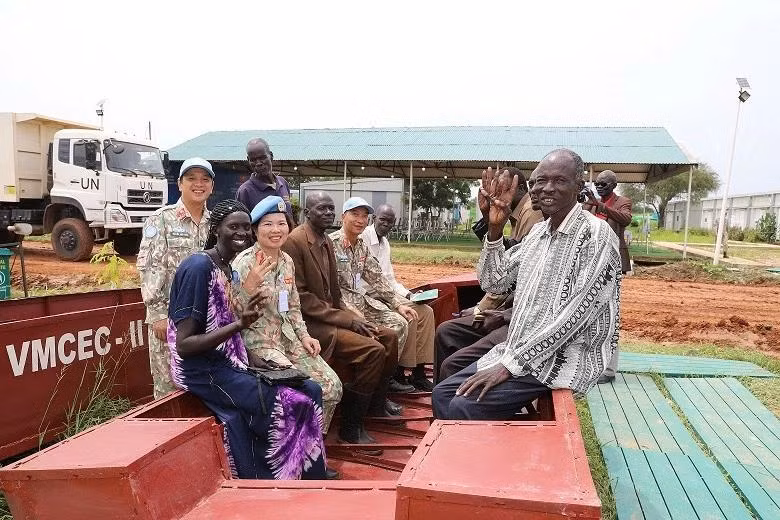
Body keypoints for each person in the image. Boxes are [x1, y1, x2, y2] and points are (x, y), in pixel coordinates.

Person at [432, 149, 622, 420]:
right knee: (443, 394)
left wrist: (509, 366)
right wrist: (494, 230)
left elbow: (576, 315)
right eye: (540, 181)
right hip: (521, 350)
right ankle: (457, 459)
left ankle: (482, 460)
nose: (547, 188)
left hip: (560, 358)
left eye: (559, 181)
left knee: (464, 406)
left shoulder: (596, 234)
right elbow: (494, 282)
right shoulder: (538, 233)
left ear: (578, 186)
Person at [167, 199, 326, 480]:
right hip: (204, 371)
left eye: (244, 227)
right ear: (217, 229)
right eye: (233, 227)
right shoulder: (198, 268)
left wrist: (256, 361)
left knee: (311, 388)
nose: (241, 233)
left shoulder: (229, 269)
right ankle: (279, 478)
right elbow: (185, 345)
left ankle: (307, 472)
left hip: (232, 361)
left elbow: (235, 329)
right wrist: (240, 325)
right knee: (291, 402)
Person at [282, 192, 399, 451]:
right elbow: (302, 298)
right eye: (321, 208)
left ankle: (374, 408)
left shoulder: (324, 240)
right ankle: (350, 427)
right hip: (312, 324)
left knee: (387, 336)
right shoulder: (295, 242)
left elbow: (335, 293)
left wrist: (351, 318)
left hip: (331, 316)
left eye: (330, 209)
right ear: (307, 213)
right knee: (373, 350)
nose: (327, 213)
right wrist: (345, 320)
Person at [232, 196, 343, 436]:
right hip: (260, 344)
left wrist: (304, 336)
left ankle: (313, 446)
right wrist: (247, 289)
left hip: (289, 339)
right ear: (255, 229)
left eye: (281, 224)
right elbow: (232, 315)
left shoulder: (287, 261)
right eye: (268, 224)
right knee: (302, 391)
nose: (276, 230)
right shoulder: (243, 263)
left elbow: (292, 306)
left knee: (332, 387)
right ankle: (290, 452)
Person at [433, 168, 543, 383]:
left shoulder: (533, 215)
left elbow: (507, 277)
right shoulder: (516, 214)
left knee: (450, 345)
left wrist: (482, 309)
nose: (496, 193)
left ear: (519, 188)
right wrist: (491, 223)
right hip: (512, 310)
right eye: (494, 188)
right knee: (447, 330)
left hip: (519, 320)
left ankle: (449, 394)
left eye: (502, 188)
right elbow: (498, 272)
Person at [138, 157, 214, 399]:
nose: (198, 184)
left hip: (204, 321)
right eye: (191, 178)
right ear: (180, 184)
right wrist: (157, 314)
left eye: (205, 179)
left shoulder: (215, 223)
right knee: (169, 387)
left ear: (212, 186)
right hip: (170, 321)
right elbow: (150, 267)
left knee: (201, 386)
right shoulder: (161, 219)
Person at [330, 197, 418, 397]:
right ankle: (366, 389)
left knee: (400, 322)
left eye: (364, 216)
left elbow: (377, 277)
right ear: (343, 217)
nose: (360, 220)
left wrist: (397, 304)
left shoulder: (361, 245)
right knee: (374, 336)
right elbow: (328, 286)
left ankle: (383, 386)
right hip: (342, 308)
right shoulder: (331, 244)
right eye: (355, 214)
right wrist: (345, 310)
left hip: (362, 302)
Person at [361, 203, 436, 391]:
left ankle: (419, 372)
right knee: (408, 315)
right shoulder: (362, 239)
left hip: (386, 293)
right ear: (374, 219)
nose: (385, 224)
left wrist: (410, 294)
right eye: (382, 220)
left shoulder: (385, 244)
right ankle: (399, 372)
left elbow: (389, 280)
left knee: (426, 311)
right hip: (367, 295)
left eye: (390, 222)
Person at [581, 169, 632, 383]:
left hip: (612, 266)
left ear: (613, 185)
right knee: (589, 315)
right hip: (592, 264)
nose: (600, 187)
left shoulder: (622, 202)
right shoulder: (590, 202)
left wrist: (599, 205)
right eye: (597, 184)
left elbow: (625, 219)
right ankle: (591, 364)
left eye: (604, 184)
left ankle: (609, 370)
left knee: (609, 315)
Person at [235, 138, 294, 220]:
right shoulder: (245, 191)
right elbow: (242, 224)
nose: (258, 163)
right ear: (248, 160)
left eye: (262, 158)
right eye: (253, 160)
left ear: (271, 156)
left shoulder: (283, 183)